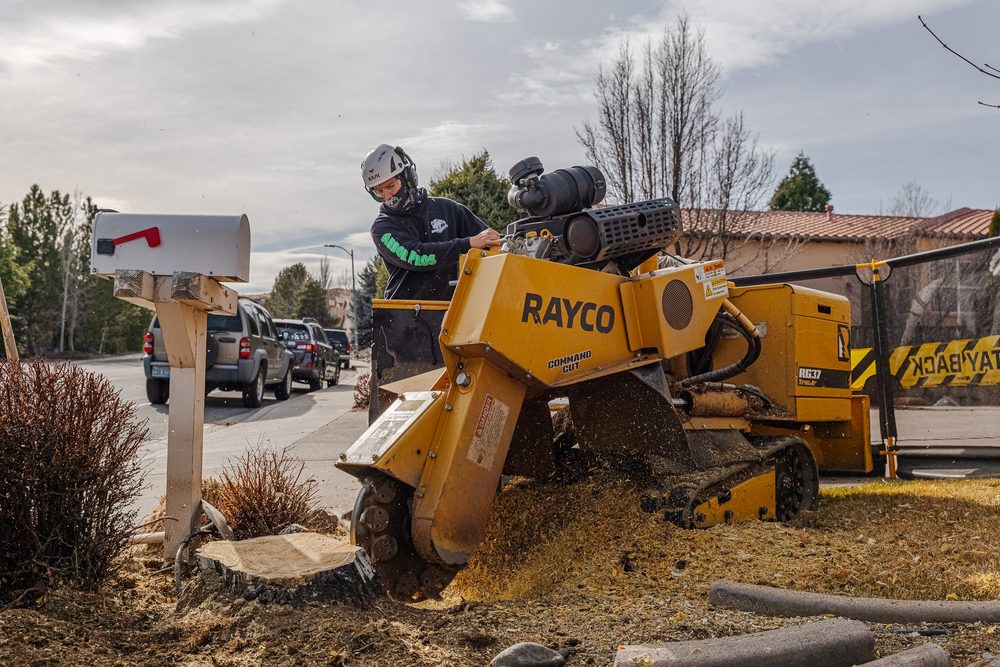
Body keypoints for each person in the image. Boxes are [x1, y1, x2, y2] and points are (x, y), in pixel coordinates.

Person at [363, 144, 500, 301]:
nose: (387, 196)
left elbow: (491, 244)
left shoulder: (448, 209)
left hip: (455, 310)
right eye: (379, 191)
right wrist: (469, 243)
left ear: (408, 177)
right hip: (405, 316)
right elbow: (419, 257)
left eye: (390, 186)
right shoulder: (383, 228)